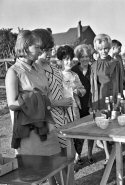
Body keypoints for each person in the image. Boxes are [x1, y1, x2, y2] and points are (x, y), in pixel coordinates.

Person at [5, 30, 61, 185]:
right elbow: (12, 103)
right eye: (38, 48)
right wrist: (35, 98)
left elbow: (46, 93)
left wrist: (42, 99)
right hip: (29, 131)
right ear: (25, 47)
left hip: (46, 124)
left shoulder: (38, 68)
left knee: (53, 167)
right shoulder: (13, 72)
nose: (41, 51)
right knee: (33, 175)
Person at [91, 34, 124, 164]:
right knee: (103, 129)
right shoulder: (94, 65)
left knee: (116, 127)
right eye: (100, 49)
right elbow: (93, 87)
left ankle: (117, 153)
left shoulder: (116, 63)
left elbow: (120, 82)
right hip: (100, 100)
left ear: (109, 48)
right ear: (96, 49)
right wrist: (93, 104)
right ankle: (107, 156)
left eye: (105, 48)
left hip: (114, 98)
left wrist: (119, 99)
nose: (103, 51)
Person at [32, 28, 73, 129]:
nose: (50, 54)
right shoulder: (34, 71)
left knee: (66, 143)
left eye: (50, 50)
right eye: (45, 51)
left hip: (63, 115)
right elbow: (35, 101)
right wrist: (59, 103)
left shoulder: (55, 68)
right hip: (47, 120)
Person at [56, 45, 86, 165]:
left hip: (75, 109)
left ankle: (77, 156)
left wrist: (77, 90)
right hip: (62, 111)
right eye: (65, 59)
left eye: (70, 59)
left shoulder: (75, 75)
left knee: (78, 134)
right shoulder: (57, 75)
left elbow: (83, 91)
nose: (68, 61)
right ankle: (68, 159)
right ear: (60, 60)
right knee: (65, 136)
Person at [71, 44, 94, 164]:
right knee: (78, 131)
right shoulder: (73, 70)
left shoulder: (93, 69)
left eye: (87, 56)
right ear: (78, 58)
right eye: (82, 57)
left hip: (90, 104)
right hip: (77, 105)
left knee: (91, 130)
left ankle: (90, 153)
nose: (85, 59)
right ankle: (77, 155)